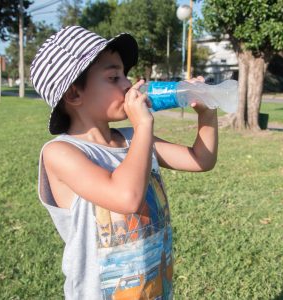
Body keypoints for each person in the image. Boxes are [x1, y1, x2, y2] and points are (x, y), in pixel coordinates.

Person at [31, 26, 218, 300]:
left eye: (125, 75)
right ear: (73, 95)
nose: (128, 85)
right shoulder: (60, 153)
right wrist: (143, 124)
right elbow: (126, 197)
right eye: (113, 77)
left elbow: (201, 159)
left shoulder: (134, 139)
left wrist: (207, 111)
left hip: (153, 288)